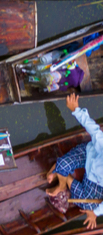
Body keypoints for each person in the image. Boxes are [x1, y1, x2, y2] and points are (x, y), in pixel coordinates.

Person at [45, 93, 103, 230]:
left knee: (87, 206)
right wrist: (76, 110)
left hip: (96, 181)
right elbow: (95, 131)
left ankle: (64, 177)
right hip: (88, 154)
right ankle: (61, 182)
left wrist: (94, 213)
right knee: (63, 165)